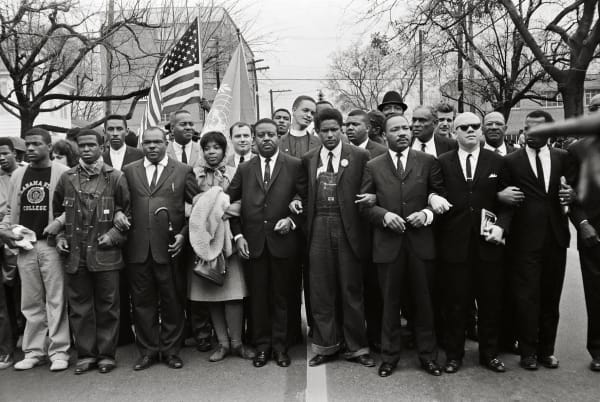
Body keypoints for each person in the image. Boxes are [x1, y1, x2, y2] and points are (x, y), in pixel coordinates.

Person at [360, 113, 443, 377]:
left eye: (406, 128)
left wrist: (427, 214)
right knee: (389, 305)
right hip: (388, 245)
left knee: (424, 303)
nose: (403, 133)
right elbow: (364, 205)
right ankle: (389, 356)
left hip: (420, 244)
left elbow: (439, 196)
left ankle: (428, 356)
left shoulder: (428, 162)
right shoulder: (373, 165)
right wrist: (384, 216)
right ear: (385, 135)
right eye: (395, 129)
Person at [297, 108, 374, 368]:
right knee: (321, 290)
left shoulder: (360, 156)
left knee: (351, 289)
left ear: (341, 129)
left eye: (334, 130)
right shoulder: (308, 158)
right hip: (318, 225)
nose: (330, 135)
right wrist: (296, 202)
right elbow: (302, 192)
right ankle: (326, 345)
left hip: (348, 227)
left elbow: (369, 190)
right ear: (316, 133)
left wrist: (372, 198)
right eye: (324, 131)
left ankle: (357, 347)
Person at [435, 112, 511, 374]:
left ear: (481, 131)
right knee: (455, 303)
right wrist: (433, 197)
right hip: (454, 247)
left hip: (488, 246)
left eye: (475, 126)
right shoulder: (442, 163)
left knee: (490, 302)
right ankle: (454, 355)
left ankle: (489, 354)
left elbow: (507, 204)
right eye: (463, 127)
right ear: (454, 132)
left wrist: (502, 226)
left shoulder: (497, 162)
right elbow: (434, 194)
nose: (470, 130)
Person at [226, 118, 305, 368]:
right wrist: (238, 236)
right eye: (261, 135)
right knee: (258, 299)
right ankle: (262, 347)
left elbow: (304, 197)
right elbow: (229, 204)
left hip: (284, 244)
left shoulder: (294, 165)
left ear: (278, 136)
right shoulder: (245, 169)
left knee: (281, 297)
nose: (266, 139)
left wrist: (292, 220)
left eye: (271, 134)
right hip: (254, 245)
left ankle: (281, 348)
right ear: (254, 138)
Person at [121, 126, 199, 370]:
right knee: (142, 303)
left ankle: (171, 350)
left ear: (166, 143)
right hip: (138, 249)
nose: (152, 147)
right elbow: (121, 204)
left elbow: (196, 209)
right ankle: (148, 351)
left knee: (172, 301)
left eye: (156, 142)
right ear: (142, 145)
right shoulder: (129, 171)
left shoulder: (183, 170)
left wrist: (184, 236)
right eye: (147, 143)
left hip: (170, 249)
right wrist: (117, 214)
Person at [53, 129, 130, 375]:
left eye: (91, 146)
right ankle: (86, 355)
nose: (86, 150)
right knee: (79, 307)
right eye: (82, 146)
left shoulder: (115, 177)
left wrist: (114, 235)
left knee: (108, 306)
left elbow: (129, 213)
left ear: (102, 146)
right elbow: (57, 213)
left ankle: (107, 355)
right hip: (76, 254)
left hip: (105, 253)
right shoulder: (67, 178)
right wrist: (60, 236)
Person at [504, 110, 576, 370]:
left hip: (555, 238)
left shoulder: (563, 158)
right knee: (526, 297)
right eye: (526, 127)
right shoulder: (511, 161)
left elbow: (574, 192)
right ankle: (528, 352)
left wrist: (573, 194)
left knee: (550, 297)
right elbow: (503, 198)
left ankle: (547, 350)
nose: (529, 132)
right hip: (523, 240)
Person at [2, 128, 71, 371]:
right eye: (27, 145)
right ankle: (33, 351)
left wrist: (59, 223)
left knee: (56, 299)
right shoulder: (18, 175)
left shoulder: (63, 173)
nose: (30, 149)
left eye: (36, 144)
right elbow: (10, 210)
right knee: (30, 301)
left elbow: (71, 208)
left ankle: (59, 350)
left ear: (49, 147)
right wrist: (6, 230)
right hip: (25, 247)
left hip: (51, 245)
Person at [188, 131, 254, 363]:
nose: (212, 152)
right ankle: (222, 343)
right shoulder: (193, 174)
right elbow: (188, 204)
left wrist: (215, 208)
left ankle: (237, 343)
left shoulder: (237, 172)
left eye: (217, 147)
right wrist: (202, 209)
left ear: (224, 150)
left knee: (233, 294)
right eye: (207, 148)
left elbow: (243, 202)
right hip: (203, 240)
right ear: (202, 151)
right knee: (211, 293)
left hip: (229, 240)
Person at [167, 110, 212, 353]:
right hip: (169, 230)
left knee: (198, 281)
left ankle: (201, 332)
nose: (188, 127)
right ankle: (180, 330)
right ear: (171, 127)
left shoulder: (202, 151)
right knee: (175, 284)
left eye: (191, 124)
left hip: (196, 227)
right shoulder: (162, 153)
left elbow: (201, 194)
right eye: (182, 124)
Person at [344, 109, 386, 351]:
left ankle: (377, 336)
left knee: (374, 287)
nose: (350, 128)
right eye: (347, 124)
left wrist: (376, 197)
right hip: (348, 230)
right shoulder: (339, 153)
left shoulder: (380, 152)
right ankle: (353, 336)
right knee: (351, 286)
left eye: (355, 124)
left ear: (368, 127)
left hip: (374, 231)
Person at [101, 115, 143, 348]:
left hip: (135, 227)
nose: (115, 133)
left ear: (127, 131)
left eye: (119, 129)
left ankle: (143, 332)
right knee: (114, 285)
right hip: (106, 227)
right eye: (111, 129)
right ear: (105, 132)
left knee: (136, 282)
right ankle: (122, 333)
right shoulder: (100, 158)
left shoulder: (139, 155)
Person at [568, 93, 600, 371]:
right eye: (594, 107)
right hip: (593, 231)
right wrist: (582, 222)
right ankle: (598, 350)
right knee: (596, 291)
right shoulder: (576, 150)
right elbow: (569, 195)